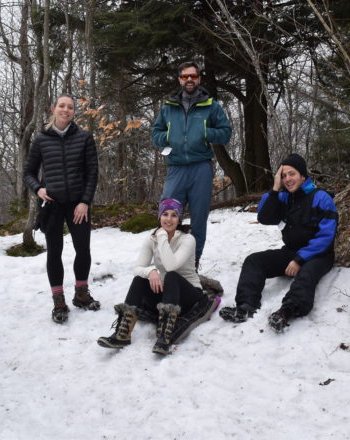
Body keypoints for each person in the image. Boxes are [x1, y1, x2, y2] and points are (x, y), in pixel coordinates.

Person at [219, 154, 337, 332]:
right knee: (254, 261)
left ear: (303, 175)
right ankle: (245, 307)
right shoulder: (284, 197)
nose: (287, 179)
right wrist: (275, 189)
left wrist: (299, 259)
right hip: (290, 251)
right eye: (284, 176)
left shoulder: (321, 198)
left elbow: (326, 236)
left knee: (306, 273)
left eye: (292, 174)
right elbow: (264, 217)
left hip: (319, 255)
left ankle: (287, 311)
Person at [97, 199, 219, 355]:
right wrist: (151, 272)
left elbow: (171, 266)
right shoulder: (151, 239)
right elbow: (137, 268)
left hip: (189, 296)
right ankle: (123, 334)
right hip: (167, 293)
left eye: (174, 215)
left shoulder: (188, 239)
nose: (169, 219)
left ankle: (164, 337)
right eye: (165, 214)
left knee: (172, 276)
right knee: (140, 279)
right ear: (159, 216)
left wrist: (162, 237)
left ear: (179, 219)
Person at [24, 94, 100, 323]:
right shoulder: (41, 139)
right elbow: (28, 172)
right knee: (54, 252)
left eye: (70, 107)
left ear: (74, 111)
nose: (66, 110)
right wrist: (38, 189)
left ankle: (81, 294)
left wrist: (85, 202)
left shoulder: (84, 137)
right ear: (53, 109)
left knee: (83, 249)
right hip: (52, 205)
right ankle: (59, 302)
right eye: (62, 106)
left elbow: (92, 173)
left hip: (78, 205)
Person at [151, 62, 231, 269]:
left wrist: (205, 132)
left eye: (193, 76)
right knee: (168, 213)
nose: (189, 80)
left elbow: (225, 133)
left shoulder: (211, 105)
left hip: (201, 167)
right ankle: (166, 260)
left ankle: (192, 263)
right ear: (179, 79)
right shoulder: (169, 106)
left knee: (199, 217)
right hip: (176, 167)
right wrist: (168, 136)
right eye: (185, 76)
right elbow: (155, 134)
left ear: (199, 79)